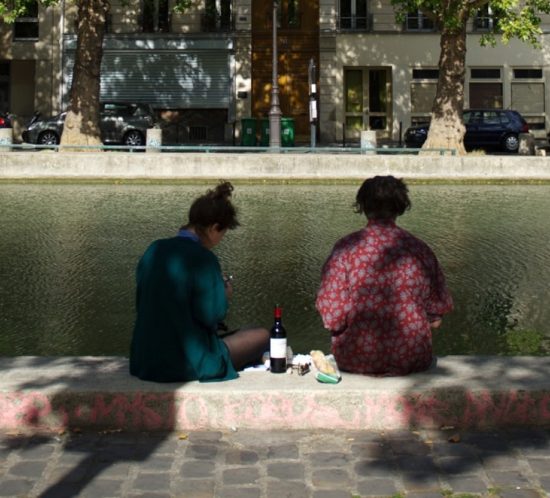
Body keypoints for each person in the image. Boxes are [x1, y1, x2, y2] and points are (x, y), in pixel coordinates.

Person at [130, 181, 270, 382]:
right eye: (223, 233)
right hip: (185, 362)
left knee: (243, 332)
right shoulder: (204, 259)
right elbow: (213, 315)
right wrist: (224, 294)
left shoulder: (155, 249)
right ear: (214, 228)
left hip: (144, 359)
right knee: (261, 335)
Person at [316, 175, 453, 376]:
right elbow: (436, 318)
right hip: (412, 357)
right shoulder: (419, 249)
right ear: (400, 206)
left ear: (362, 205)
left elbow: (333, 317)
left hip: (356, 357)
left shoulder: (346, 249)